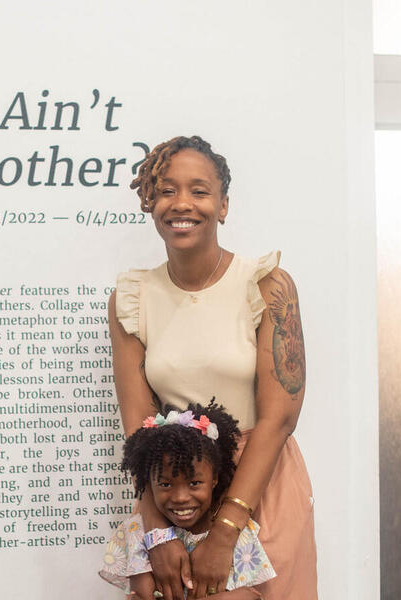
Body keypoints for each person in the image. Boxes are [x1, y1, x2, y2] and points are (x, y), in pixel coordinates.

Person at [108, 135, 317, 599]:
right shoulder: (131, 298)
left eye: (199, 191)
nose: (182, 203)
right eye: (166, 190)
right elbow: (138, 429)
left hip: (261, 484)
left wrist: (226, 530)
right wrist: (157, 530)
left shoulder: (267, 286)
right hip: (176, 493)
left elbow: (280, 418)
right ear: (150, 202)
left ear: (223, 205)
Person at [99, 401, 276, 599]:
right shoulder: (137, 533)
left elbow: (250, 596)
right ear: (149, 483)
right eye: (166, 484)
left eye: (194, 483)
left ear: (215, 480)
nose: (180, 498)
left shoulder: (238, 535)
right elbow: (142, 595)